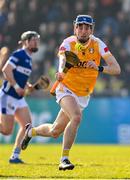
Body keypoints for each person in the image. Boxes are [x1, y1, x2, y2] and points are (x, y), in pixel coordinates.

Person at [21, 15, 121, 170]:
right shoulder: (68, 43)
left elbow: (116, 69)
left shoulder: (98, 44)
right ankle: (64, 159)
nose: (83, 30)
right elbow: (62, 59)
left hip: (83, 93)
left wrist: (99, 68)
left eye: (86, 27)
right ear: (75, 28)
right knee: (76, 117)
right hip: (66, 88)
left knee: (55, 131)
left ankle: (30, 132)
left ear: (91, 29)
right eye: (80, 27)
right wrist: (61, 71)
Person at [0, 31, 40, 163]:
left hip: (18, 99)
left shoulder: (28, 58)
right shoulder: (19, 54)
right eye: (33, 40)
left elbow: (19, 76)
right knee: (6, 131)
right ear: (25, 42)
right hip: (8, 96)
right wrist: (17, 87)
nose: (36, 42)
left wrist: (27, 85)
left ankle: (15, 156)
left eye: (36, 40)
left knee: (27, 126)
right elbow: (6, 70)